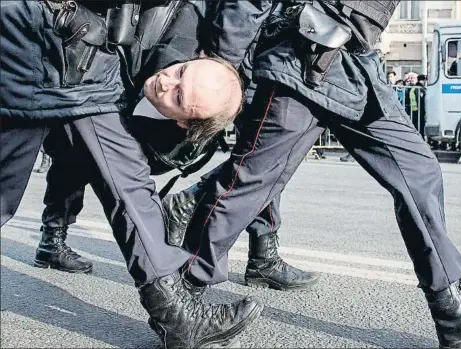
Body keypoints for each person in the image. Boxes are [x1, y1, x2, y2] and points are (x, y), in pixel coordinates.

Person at [166, 1, 461, 348]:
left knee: (419, 172)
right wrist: (225, 67)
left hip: (354, 68)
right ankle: (182, 303)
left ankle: (456, 317)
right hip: (297, 61)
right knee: (250, 182)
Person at [1, 1, 264, 347]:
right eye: (180, 73)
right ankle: (176, 314)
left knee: (119, 172)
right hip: (50, 31)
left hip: (66, 40)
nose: (166, 81)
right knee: (121, 173)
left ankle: (175, 313)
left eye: (180, 95)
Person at [35, 0, 320, 292]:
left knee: (265, 155)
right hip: (203, 46)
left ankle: (260, 250)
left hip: (244, 58)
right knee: (89, 138)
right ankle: (55, 234)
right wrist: (221, 61)